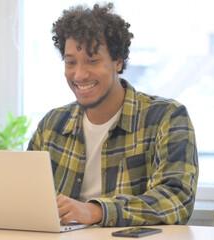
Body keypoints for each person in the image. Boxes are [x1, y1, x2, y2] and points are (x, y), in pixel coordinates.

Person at [27, 2, 198, 227]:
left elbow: (177, 199)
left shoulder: (167, 117)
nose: (79, 74)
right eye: (70, 62)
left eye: (92, 60)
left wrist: (96, 211)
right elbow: (26, 198)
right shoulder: (51, 125)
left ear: (118, 62)